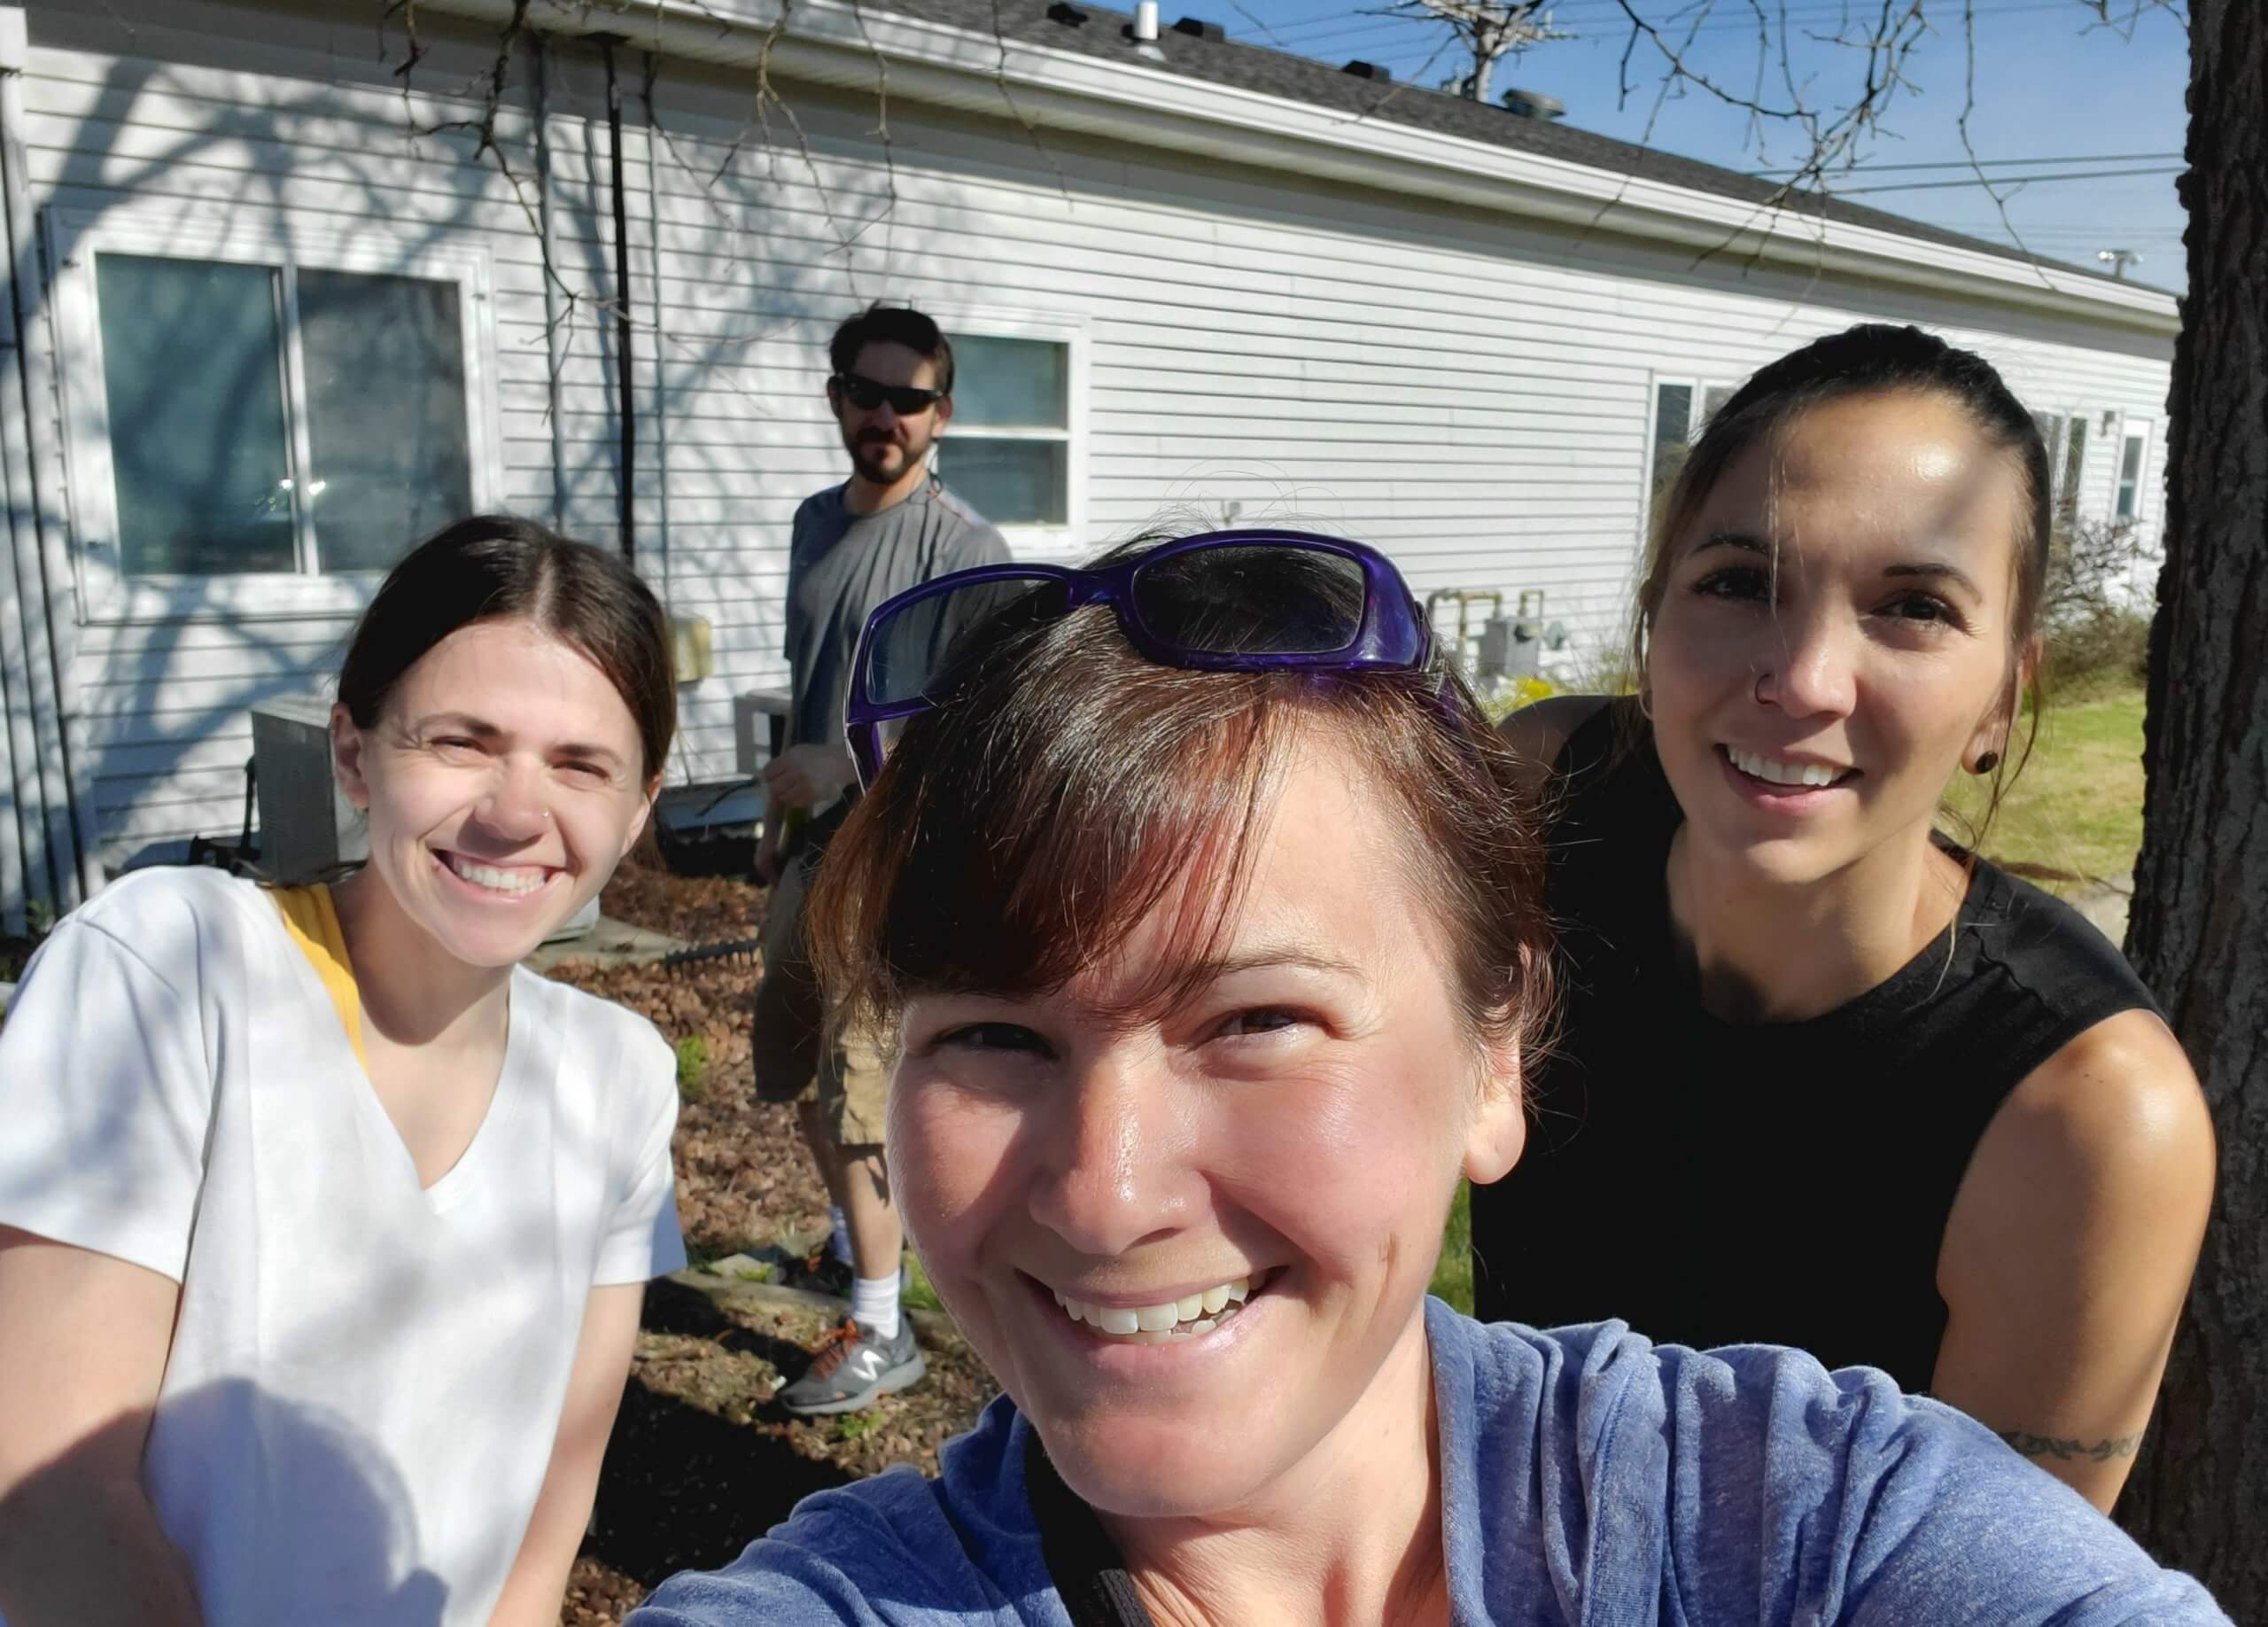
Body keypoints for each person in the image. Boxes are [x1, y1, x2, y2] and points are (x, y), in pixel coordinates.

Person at [625, 530, 2226, 1625]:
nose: (1103, 1195)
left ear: (1493, 1055)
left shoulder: (1810, 1523)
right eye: (992, 1035)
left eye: (1255, 1021)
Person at [1470, 324, 2214, 1513]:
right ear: (1656, 622)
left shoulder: (2083, 1120)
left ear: (2001, 702)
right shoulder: (1549, 797)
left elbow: (1983, 1582)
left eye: (1913, 606)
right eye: (1738, 583)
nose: (1805, 678)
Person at [0, 516, 687, 1626]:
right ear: (355, 754)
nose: (517, 813)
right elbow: (50, 1494)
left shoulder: (619, 1082)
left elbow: (545, 1527)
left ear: (640, 805)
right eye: (461, 742)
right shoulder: (174, 972)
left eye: (580, 765)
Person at [754, 301, 1008, 1416]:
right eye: (867, 393)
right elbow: (809, 684)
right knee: (802, 1074)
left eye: (910, 400)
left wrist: (846, 765)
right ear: (837, 398)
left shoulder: (964, 552)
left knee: (862, 1098)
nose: (885, 416)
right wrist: (778, 824)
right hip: (809, 851)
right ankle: (849, 1251)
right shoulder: (815, 523)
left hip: (892, 866)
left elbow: (976, 733)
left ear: (940, 416)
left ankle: (881, 1326)